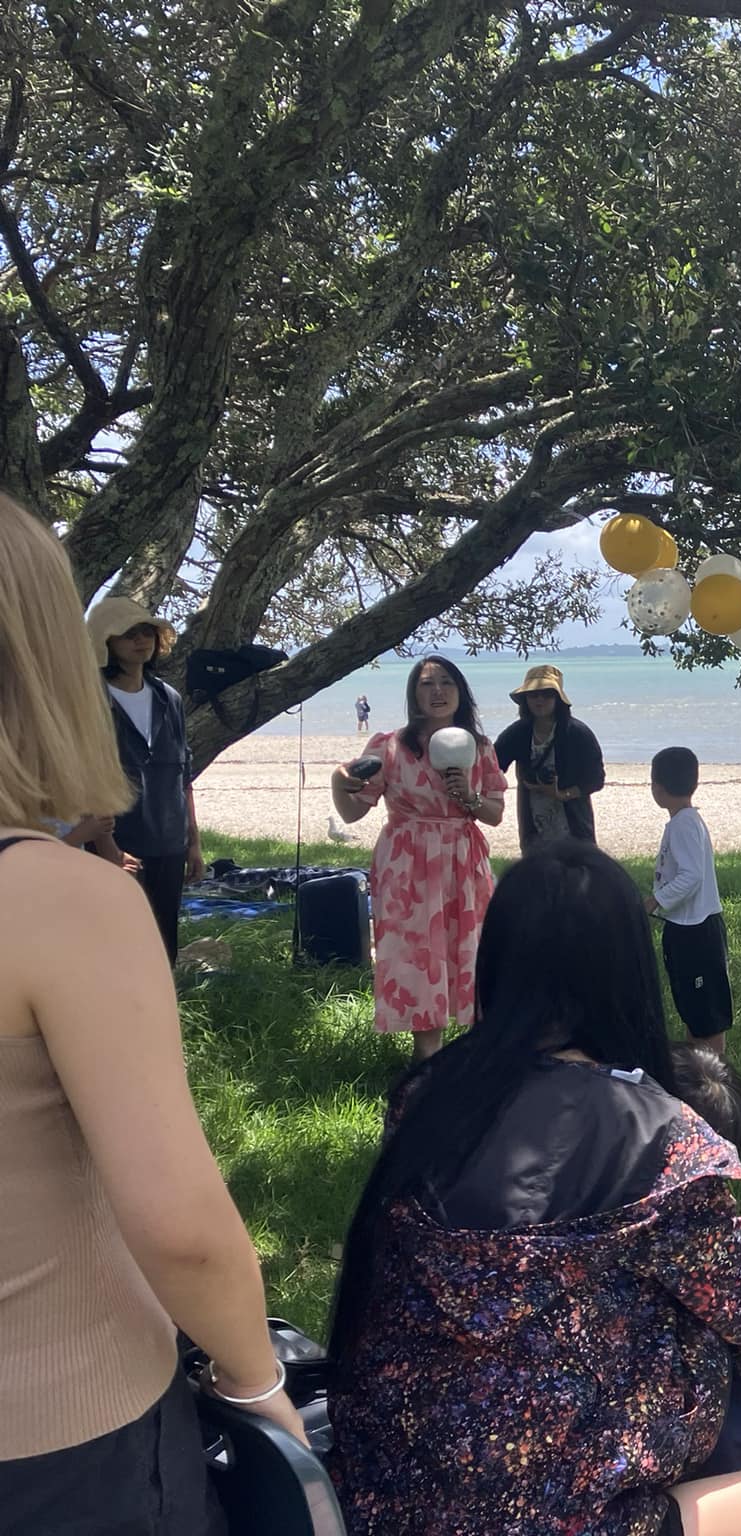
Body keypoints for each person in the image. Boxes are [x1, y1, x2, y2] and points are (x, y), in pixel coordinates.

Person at [326, 842, 741, 1536]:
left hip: (388, 1497)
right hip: (571, 1515)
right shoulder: (663, 1139)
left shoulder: (427, 1098)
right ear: (629, 970)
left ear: (498, 956)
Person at [0, 493, 304, 1530]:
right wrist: (259, 1385)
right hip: (62, 1437)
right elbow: (179, 1223)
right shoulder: (59, 905)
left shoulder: (167, 710)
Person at [332, 655, 506, 1060]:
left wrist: (467, 793)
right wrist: (338, 783)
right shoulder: (389, 746)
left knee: (467, 951)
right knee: (416, 955)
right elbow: (353, 812)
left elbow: (495, 815)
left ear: (461, 692)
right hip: (407, 863)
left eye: (446, 682)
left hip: (463, 860)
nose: (438, 692)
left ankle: (469, 1057)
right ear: (414, 695)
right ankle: (426, 1061)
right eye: (427, 684)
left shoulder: (480, 748)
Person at [86, 593, 204, 960]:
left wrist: (193, 842)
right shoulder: (91, 698)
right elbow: (88, 778)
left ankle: (164, 1014)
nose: (141, 641)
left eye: (146, 632)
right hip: (116, 840)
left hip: (168, 841)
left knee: (163, 941)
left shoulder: (169, 698)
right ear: (105, 642)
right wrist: (107, 848)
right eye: (128, 634)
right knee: (115, 941)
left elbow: (182, 776)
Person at [650, 746, 735, 1059]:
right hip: (684, 926)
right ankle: (697, 1070)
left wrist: (654, 901)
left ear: (657, 788)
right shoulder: (683, 821)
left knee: (707, 1015)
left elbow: (691, 876)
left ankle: (715, 1076)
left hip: (696, 930)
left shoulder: (685, 824)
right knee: (692, 1007)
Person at [494, 663, 607, 854]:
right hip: (533, 827)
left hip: (574, 826)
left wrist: (562, 794)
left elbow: (595, 779)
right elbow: (493, 764)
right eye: (533, 695)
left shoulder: (577, 733)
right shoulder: (519, 732)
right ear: (525, 699)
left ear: (558, 698)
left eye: (547, 694)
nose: (540, 700)